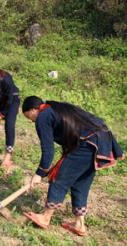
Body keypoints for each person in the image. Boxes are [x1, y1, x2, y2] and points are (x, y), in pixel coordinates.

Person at [21, 96, 124, 236]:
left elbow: (48, 150)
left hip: (86, 144)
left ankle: (45, 218)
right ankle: (80, 224)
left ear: (34, 109)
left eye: (30, 117)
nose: (32, 120)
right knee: (80, 182)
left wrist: (39, 173)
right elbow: (99, 124)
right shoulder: (56, 108)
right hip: (100, 142)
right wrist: (116, 149)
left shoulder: (43, 116)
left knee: (59, 177)